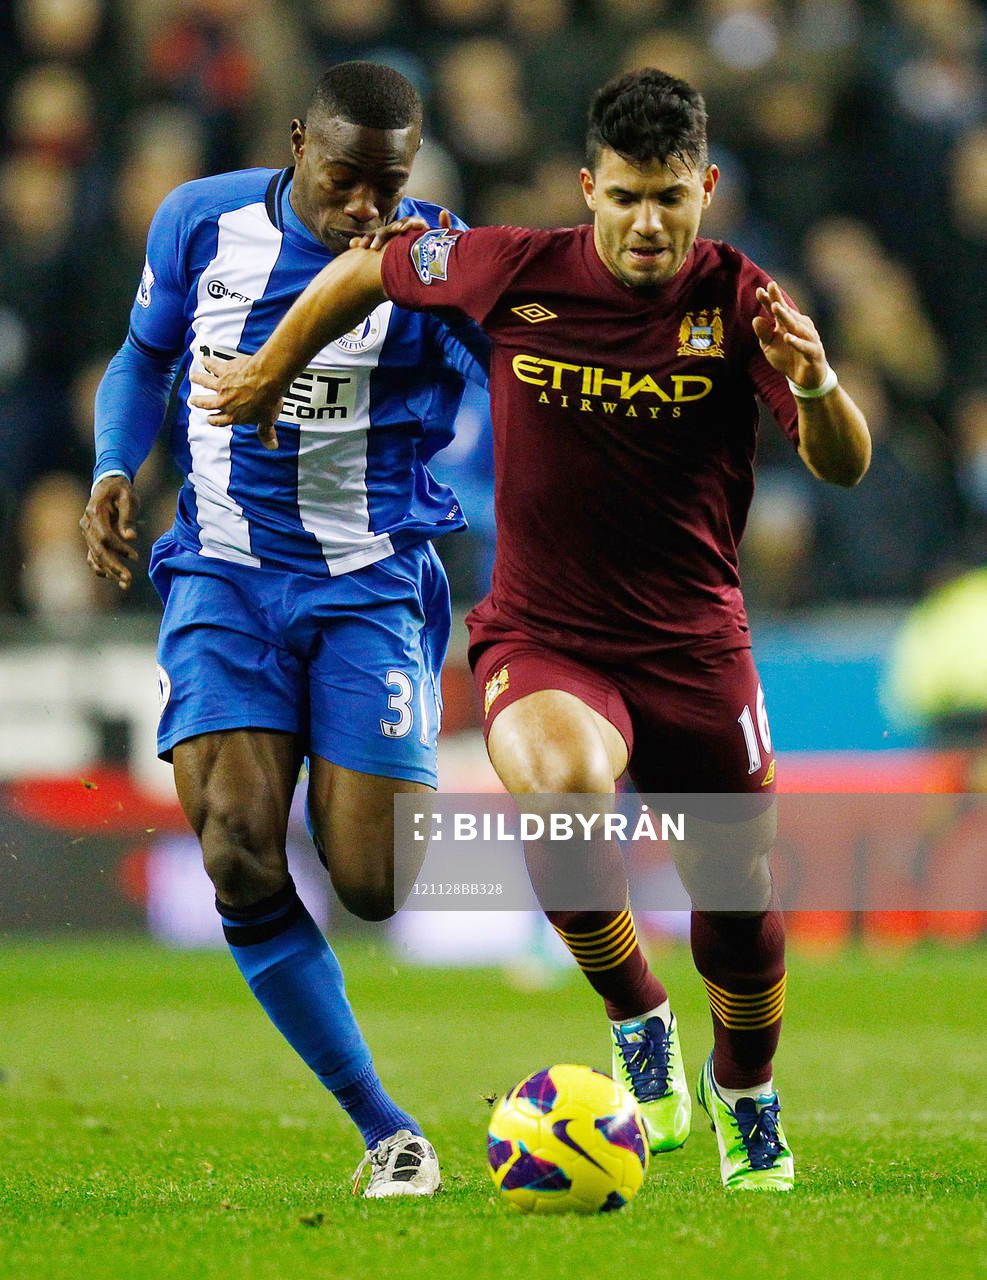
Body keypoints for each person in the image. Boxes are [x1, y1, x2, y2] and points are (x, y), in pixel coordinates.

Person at [189, 68, 871, 1193]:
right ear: (587, 188)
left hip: (697, 645)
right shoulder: (511, 269)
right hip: (545, 634)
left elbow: (839, 464)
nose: (648, 223)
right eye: (625, 198)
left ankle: (745, 1089)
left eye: (670, 198)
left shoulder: (743, 301)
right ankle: (636, 1015)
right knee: (559, 787)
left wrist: (823, 381)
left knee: (739, 899)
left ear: (704, 188)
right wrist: (271, 370)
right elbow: (371, 264)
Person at [80, 61, 490, 1198]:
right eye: (348, 179)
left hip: (368, 582)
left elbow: (507, 378)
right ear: (298, 140)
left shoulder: (434, 260)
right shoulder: (199, 219)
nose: (369, 208)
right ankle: (386, 1128)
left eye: (391, 185)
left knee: (371, 881)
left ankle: (386, 730)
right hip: (225, 574)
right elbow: (146, 353)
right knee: (236, 844)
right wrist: (119, 462)